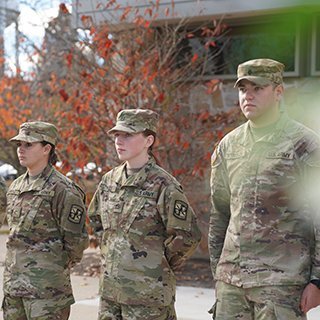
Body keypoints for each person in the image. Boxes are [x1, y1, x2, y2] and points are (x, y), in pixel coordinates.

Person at [208, 58, 320, 319]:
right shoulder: (228, 146)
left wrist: (317, 281)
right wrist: (218, 274)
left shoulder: (305, 145)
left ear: (278, 92)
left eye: (258, 88)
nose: (248, 96)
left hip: (281, 284)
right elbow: (220, 213)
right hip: (231, 284)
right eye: (243, 89)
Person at [88, 108, 202, 320]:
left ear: (149, 140)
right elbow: (96, 221)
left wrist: (158, 263)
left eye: (128, 135)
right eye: (117, 135)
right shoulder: (109, 181)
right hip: (111, 293)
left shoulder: (163, 185)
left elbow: (187, 235)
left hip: (148, 296)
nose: (119, 141)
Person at [2, 121, 88, 320]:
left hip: (47, 293)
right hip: (15, 289)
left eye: (28, 145)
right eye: (19, 145)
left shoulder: (62, 189)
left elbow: (76, 242)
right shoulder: (15, 187)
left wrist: (53, 267)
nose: (21, 150)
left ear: (46, 149)